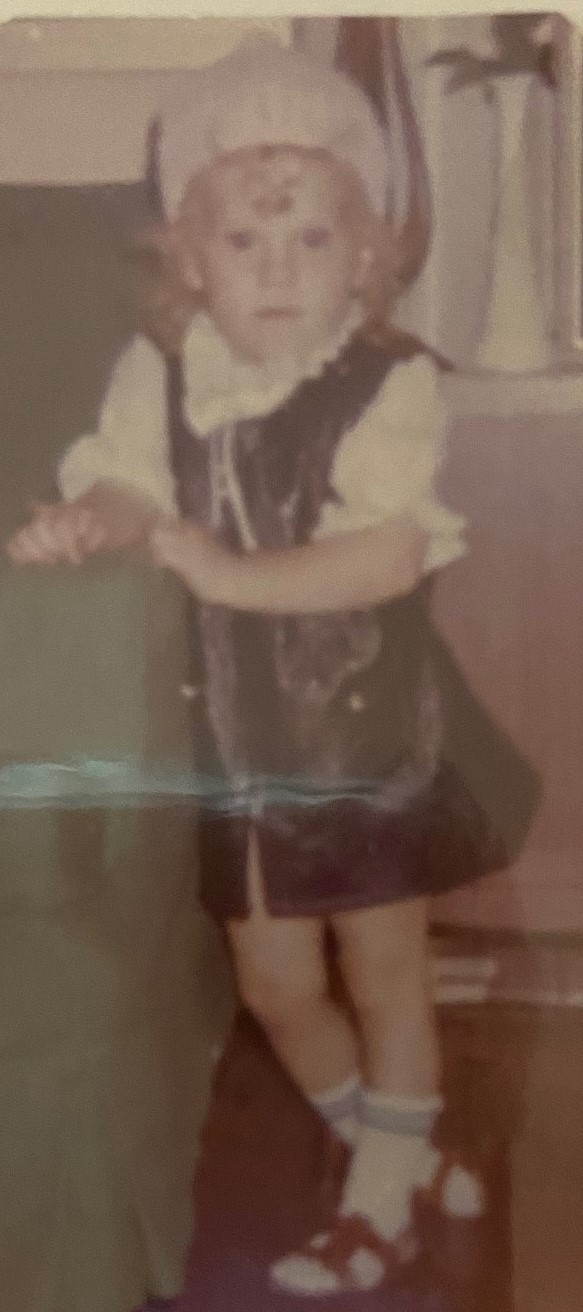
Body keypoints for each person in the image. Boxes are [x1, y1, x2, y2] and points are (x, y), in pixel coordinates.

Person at [6, 36, 538, 1297]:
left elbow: (385, 551)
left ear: (364, 257)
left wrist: (218, 571)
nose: (280, 268)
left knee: (384, 968)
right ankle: (396, 1150)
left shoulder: (388, 383)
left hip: (364, 736)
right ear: (190, 260)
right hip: (238, 751)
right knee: (275, 982)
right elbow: (134, 485)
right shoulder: (160, 375)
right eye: (243, 241)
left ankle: (375, 1210)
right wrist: (93, 523)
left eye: (311, 238)